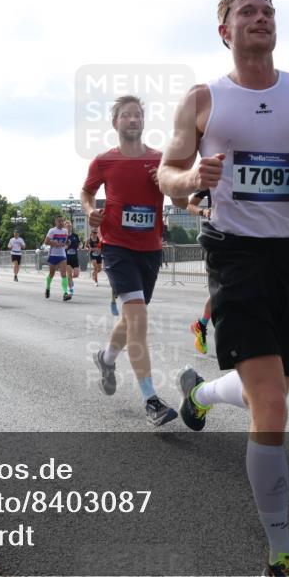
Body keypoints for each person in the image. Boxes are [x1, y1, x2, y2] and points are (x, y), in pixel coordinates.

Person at [158, 0, 289, 577]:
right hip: (233, 253)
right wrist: (192, 176)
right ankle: (280, 557)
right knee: (273, 404)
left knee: (267, 391)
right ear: (226, 31)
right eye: (248, 12)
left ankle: (200, 394)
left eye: (268, 11)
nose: (261, 18)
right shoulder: (204, 99)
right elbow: (166, 173)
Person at [83, 94, 178, 428]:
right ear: (116, 122)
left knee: (131, 318)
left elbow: (180, 197)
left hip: (150, 249)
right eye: (126, 115)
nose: (133, 120)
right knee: (138, 320)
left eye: (138, 115)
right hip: (117, 247)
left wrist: (163, 182)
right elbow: (86, 192)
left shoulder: (160, 159)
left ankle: (106, 358)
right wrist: (90, 212)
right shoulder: (103, 162)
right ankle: (151, 400)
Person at [175, 190, 213, 354]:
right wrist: (203, 212)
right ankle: (202, 324)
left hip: (252, 241)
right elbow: (189, 204)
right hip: (220, 241)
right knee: (222, 288)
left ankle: (202, 324)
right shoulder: (215, 173)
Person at [43, 215, 71, 301]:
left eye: (62, 221)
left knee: (63, 274)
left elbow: (66, 242)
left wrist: (66, 244)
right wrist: (53, 243)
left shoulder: (65, 231)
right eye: (59, 221)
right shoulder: (52, 231)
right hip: (53, 255)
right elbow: (46, 242)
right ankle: (47, 288)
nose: (61, 223)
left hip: (62, 255)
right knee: (52, 274)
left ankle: (65, 293)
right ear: (56, 222)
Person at [63, 219, 82, 298]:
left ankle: (70, 280)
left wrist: (80, 246)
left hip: (74, 257)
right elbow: (61, 246)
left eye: (70, 226)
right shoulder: (63, 236)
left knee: (76, 274)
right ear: (65, 227)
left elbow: (80, 244)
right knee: (69, 274)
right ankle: (70, 289)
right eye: (67, 226)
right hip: (67, 258)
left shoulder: (75, 236)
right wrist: (65, 246)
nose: (69, 227)